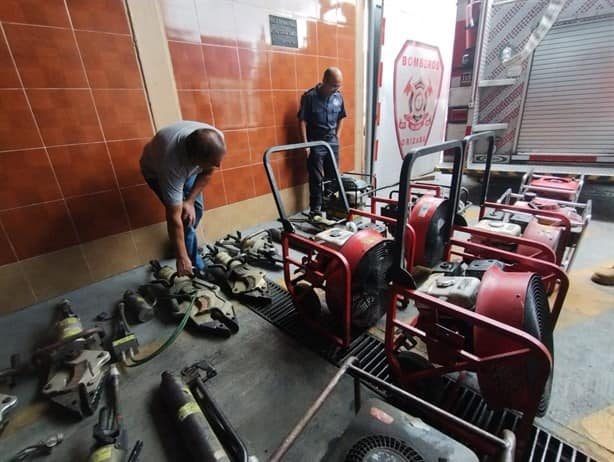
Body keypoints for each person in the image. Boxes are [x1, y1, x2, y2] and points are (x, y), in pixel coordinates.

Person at [140, 121, 226, 276]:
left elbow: (208, 172)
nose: (219, 165)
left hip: (187, 168)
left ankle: (184, 242)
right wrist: (181, 257)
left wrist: (189, 201)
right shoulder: (172, 167)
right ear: (195, 159)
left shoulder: (215, 138)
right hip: (156, 173)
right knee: (184, 219)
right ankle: (194, 265)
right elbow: (174, 218)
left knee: (196, 211)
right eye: (213, 162)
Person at [298, 67, 347, 215]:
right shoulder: (310, 97)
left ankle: (330, 204)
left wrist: (337, 135)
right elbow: (302, 121)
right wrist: (306, 145)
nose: (336, 88)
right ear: (324, 81)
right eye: (333, 85)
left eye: (338, 85)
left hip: (332, 142)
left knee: (332, 175)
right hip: (316, 143)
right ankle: (316, 209)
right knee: (316, 177)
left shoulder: (338, 96)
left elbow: (341, 117)